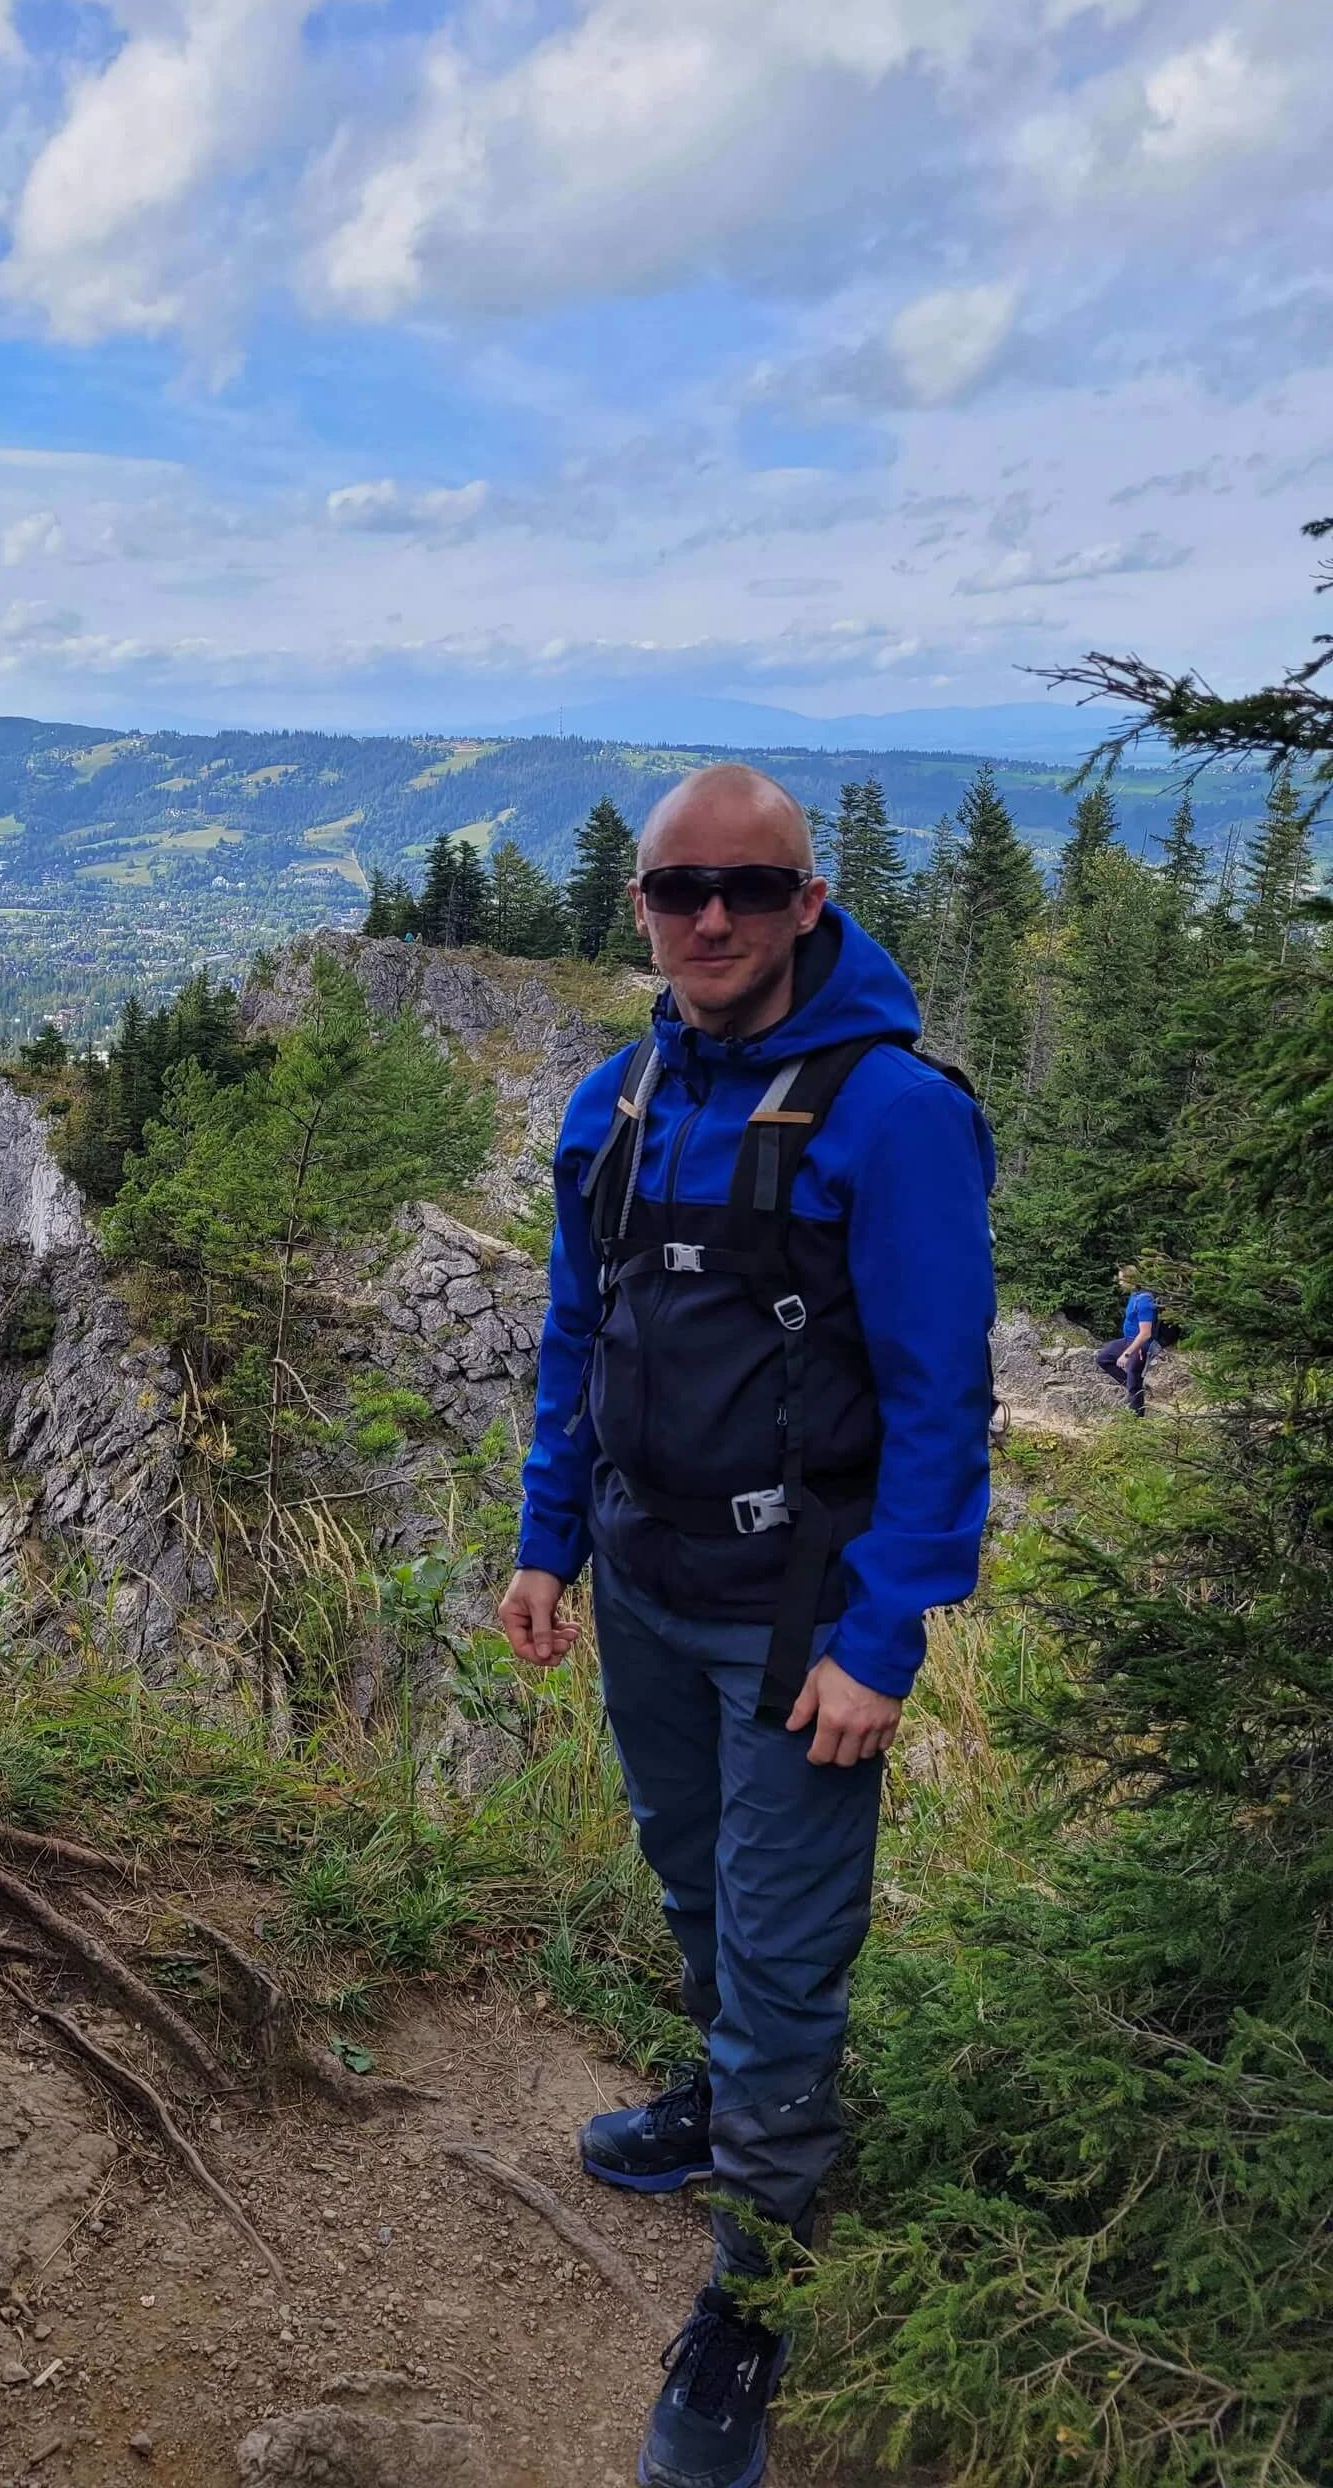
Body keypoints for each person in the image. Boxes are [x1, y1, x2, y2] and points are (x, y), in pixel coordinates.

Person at [499, 764, 997, 2488]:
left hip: (799, 1625)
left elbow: (944, 1401)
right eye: (675, 888)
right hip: (640, 1583)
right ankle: (728, 2114)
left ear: (810, 904)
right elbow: (579, 1342)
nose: (711, 919)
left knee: (785, 1949)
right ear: (636, 904)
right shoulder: (615, 1102)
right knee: (693, 1875)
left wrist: (887, 1640)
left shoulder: (893, 1114)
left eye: (749, 889)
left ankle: (756, 2295)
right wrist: (546, 1542)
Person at [1096, 1266, 1158, 1416]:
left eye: (1122, 1279)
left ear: (1130, 1280)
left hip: (1140, 1346)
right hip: (1128, 1340)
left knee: (1134, 1378)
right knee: (1103, 1358)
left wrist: (1127, 1354)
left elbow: (1145, 1333)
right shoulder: (1134, 1294)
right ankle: (1133, 1387)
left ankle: (1137, 1422)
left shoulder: (1145, 1302)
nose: (1119, 1283)